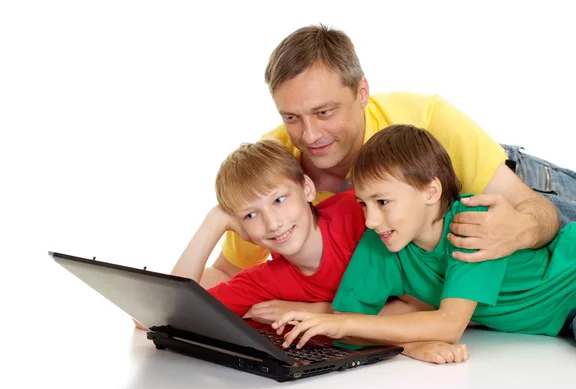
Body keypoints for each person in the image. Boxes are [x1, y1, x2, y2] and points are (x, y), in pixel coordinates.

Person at [204, 23, 576, 287]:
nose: (310, 135)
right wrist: (214, 223)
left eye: (324, 112)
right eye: (291, 118)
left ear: (362, 92)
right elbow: (225, 273)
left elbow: (537, 211)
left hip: (528, 183)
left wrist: (521, 230)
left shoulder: (429, 120)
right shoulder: (275, 172)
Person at [270, 124, 576, 358]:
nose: (371, 220)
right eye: (364, 204)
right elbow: (350, 322)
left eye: (383, 202)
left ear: (431, 192)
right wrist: (409, 345)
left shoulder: (472, 223)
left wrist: (344, 325)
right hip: (557, 323)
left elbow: (449, 325)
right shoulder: (381, 241)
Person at [154, 138, 471, 363]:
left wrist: (315, 313)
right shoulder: (264, 282)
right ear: (242, 229)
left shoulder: (361, 214)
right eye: (251, 215)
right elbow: (162, 317)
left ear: (307, 188)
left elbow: (423, 302)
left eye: (279, 200)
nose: (273, 222)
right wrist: (212, 223)